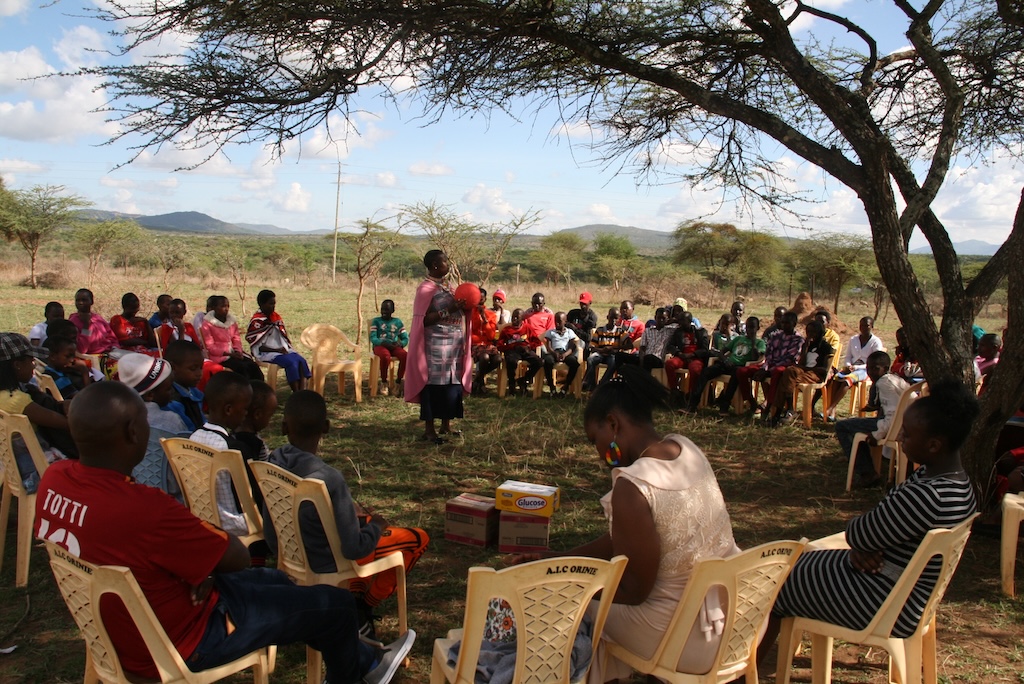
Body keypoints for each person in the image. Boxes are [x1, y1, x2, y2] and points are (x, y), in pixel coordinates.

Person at [34, 381, 414, 684]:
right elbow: (234, 556)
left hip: (119, 627)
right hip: (187, 639)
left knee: (276, 580)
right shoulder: (144, 508)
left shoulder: (55, 479)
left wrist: (199, 569)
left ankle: (368, 661)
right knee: (335, 607)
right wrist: (205, 564)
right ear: (134, 432)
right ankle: (358, 671)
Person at [511, 366, 740, 683]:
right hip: (738, 619)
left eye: (595, 440)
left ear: (613, 424)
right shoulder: (686, 449)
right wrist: (556, 560)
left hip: (685, 640)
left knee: (567, 604)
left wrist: (562, 583)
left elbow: (634, 591)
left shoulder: (633, 485)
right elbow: (625, 540)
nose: (599, 453)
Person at [764, 380, 978, 658]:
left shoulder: (927, 495)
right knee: (792, 560)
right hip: (901, 590)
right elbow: (876, 532)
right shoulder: (958, 485)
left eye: (907, 433)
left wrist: (863, 543)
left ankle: (745, 670)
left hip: (884, 602)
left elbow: (859, 533)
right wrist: (865, 545)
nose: (899, 437)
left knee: (771, 579)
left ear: (934, 445)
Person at [266, 390, 430, 641]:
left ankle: (353, 598)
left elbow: (270, 529)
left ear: (283, 426)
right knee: (417, 538)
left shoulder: (271, 465)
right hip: (329, 565)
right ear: (327, 427)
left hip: (290, 557)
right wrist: (375, 526)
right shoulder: (329, 479)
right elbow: (354, 548)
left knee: (360, 525)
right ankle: (362, 608)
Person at [405, 250, 472, 443]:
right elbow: (423, 320)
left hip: (453, 347)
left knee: (451, 385)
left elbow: (459, 307)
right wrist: (448, 310)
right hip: (435, 346)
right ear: (435, 265)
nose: (448, 265)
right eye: (445, 262)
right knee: (433, 386)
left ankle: (446, 425)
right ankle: (429, 430)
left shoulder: (448, 287)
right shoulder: (425, 289)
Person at [0, 332, 75, 490]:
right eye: (31, 361)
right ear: (17, 364)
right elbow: (66, 424)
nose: (34, 366)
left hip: (11, 467)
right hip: (35, 471)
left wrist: (62, 404)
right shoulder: (18, 401)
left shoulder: (6, 395)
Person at [188, 370, 254, 536]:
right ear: (229, 410)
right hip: (233, 524)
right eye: (245, 408)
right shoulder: (233, 449)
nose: (246, 413)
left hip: (201, 517)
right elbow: (250, 496)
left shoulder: (192, 438)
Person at [834, 351, 911, 488]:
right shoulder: (894, 379)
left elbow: (892, 416)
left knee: (842, 427)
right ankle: (864, 462)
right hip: (904, 423)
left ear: (886, 368)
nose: (871, 372)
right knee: (855, 428)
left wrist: (877, 435)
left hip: (895, 426)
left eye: (876, 368)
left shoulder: (884, 384)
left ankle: (867, 473)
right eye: (869, 368)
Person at [116, 352, 186, 500]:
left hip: (131, 494)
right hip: (171, 499)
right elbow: (181, 475)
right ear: (150, 395)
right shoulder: (172, 420)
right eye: (168, 389)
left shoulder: (116, 419)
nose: (171, 392)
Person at [765, 319, 833, 426]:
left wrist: (805, 368)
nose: (810, 335)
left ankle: (781, 412)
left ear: (819, 333)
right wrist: (805, 348)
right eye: (808, 332)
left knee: (786, 379)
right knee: (788, 372)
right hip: (803, 372)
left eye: (813, 332)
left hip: (815, 374)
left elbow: (824, 370)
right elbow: (802, 363)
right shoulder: (807, 344)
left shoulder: (826, 347)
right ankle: (785, 411)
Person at [695, 316, 765, 415]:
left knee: (735, 375)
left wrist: (753, 343)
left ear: (758, 328)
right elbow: (722, 352)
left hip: (741, 367)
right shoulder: (738, 339)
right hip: (727, 363)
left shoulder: (760, 342)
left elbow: (756, 358)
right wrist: (725, 359)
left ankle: (725, 405)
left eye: (753, 327)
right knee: (706, 372)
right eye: (748, 327)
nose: (750, 330)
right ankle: (693, 403)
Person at [246, 289, 312, 392]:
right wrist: (278, 350)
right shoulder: (257, 321)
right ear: (262, 304)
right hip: (267, 353)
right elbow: (259, 347)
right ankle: (296, 392)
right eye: (270, 304)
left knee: (301, 360)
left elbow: (282, 336)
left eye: (274, 303)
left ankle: (303, 391)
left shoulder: (275, 317)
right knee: (291, 363)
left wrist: (284, 348)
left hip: (282, 350)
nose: (273, 306)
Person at [824, 316, 885, 420]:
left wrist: (855, 367)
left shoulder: (876, 342)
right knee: (836, 378)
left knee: (847, 381)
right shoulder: (854, 340)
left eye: (867, 326)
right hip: (851, 368)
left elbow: (874, 361)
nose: (864, 328)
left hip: (867, 370)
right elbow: (848, 356)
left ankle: (830, 407)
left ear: (872, 327)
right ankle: (832, 412)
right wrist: (848, 365)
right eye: (861, 325)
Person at [745, 311, 802, 413]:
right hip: (770, 365)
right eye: (783, 322)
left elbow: (790, 359)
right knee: (743, 371)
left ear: (794, 324)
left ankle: (769, 405)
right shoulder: (775, 336)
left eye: (787, 323)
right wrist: (765, 368)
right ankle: (750, 400)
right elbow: (768, 355)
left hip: (785, 368)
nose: (783, 325)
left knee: (777, 371)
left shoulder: (798, 339)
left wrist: (768, 370)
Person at [201, 295, 265, 381]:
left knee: (253, 366)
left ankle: (259, 390)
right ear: (214, 308)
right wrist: (229, 354)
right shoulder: (207, 324)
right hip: (220, 357)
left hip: (234, 354)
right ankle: (245, 391)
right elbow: (210, 347)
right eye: (223, 306)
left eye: (227, 306)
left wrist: (238, 351)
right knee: (241, 369)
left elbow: (236, 338)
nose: (226, 309)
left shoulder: (231, 321)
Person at [663, 310, 708, 404]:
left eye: (682, 321)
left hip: (695, 357)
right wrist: (679, 353)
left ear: (689, 321)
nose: (679, 323)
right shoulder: (678, 332)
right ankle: (675, 391)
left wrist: (692, 354)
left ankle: (691, 395)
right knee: (669, 364)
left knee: (695, 369)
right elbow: (670, 345)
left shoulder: (700, 332)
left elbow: (705, 349)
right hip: (682, 357)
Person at [497, 308, 543, 396]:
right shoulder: (507, 330)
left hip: (525, 350)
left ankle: (524, 379)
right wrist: (509, 347)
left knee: (539, 362)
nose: (514, 319)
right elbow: (499, 345)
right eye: (513, 317)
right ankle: (511, 385)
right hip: (512, 350)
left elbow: (537, 341)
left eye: (517, 317)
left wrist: (529, 346)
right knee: (511, 362)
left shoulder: (527, 328)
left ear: (522, 319)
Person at [164, 340, 207, 431]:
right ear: (173, 368)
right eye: (193, 369)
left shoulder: (193, 390)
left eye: (201, 368)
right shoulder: (172, 400)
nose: (199, 373)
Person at [370, 299, 409, 397]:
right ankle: (384, 382)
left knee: (405, 356)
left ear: (393, 310)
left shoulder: (398, 322)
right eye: (382, 309)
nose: (384, 312)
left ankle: (398, 382)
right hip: (380, 346)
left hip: (394, 346)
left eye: (387, 310)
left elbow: (405, 338)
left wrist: (400, 344)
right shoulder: (376, 321)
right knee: (385, 356)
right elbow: (373, 337)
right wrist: (382, 342)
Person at [232, 380, 278, 464]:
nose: (270, 420)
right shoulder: (256, 445)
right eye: (269, 416)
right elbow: (262, 472)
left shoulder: (231, 435)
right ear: (258, 414)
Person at [470, 288, 501, 396]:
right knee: (485, 357)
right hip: (475, 344)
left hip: (487, 344)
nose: (479, 301)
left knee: (498, 359)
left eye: (481, 299)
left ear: (485, 299)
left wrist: (484, 319)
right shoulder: (469, 314)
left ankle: (477, 380)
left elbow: (491, 335)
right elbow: (471, 329)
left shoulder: (491, 314)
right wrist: (477, 315)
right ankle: (481, 383)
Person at [541, 312, 580, 396]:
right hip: (553, 352)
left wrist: (565, 355)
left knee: (574, 363)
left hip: (566, 353)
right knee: (547, 361)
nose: (557, 323)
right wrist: (554, 354)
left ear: (565, 321)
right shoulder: (551, 332)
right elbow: (549, 346)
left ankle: (566, 386)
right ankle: (552, 386)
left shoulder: (569, 332)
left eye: (560, 321)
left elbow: (572, 347)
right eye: (556, 321)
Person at [582, 307, 621, 391]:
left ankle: (602, 384)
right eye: (611, 318)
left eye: (616, 318)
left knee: (614, 362)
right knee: (590, 359)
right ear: (607, 317)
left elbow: (627, 345)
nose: (613, 320)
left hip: (612, 355)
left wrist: (614, 349)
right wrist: (602, 350)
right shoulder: (600, 330)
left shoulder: (620, 331)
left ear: (618, 319)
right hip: (600, 353)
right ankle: (592, 385)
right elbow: (592, 347)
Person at [69, 288, 119, 355]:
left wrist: (115, 348)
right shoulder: (73, 321)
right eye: (77, 300)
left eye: (84, 300)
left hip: (108, 353)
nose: (80, 303)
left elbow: (111, 336)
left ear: (92, 301)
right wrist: (86, 325)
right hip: (90, 356)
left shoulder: (98, 318)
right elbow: (82, 349)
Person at [567, 292, 599, 357]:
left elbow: (588, 337)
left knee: (579, 344)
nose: (583, 306)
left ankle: (576, 362)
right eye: (581, 303)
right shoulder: (573, 313)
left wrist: (574, 329)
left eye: (585, 304)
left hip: (583, 342)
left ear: (590, 303)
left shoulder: (591, 318)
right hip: (569, 338)